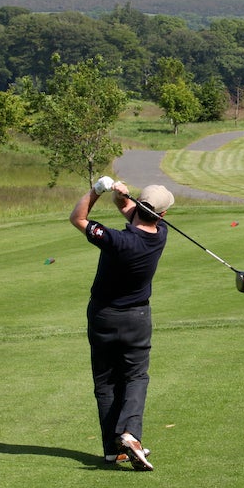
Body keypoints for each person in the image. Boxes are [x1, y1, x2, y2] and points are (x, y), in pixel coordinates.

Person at [69, 178, 174, 471]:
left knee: (105, 383)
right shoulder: (161, 233)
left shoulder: (117, 240)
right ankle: (129, 434)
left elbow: (77, 218)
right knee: (136, 377)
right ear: (162, 215)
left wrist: (97, 190)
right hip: (137, 319)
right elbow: (130, 210)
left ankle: (113, 450)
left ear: (141, 206)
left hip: (103, 317)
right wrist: (121, 196)